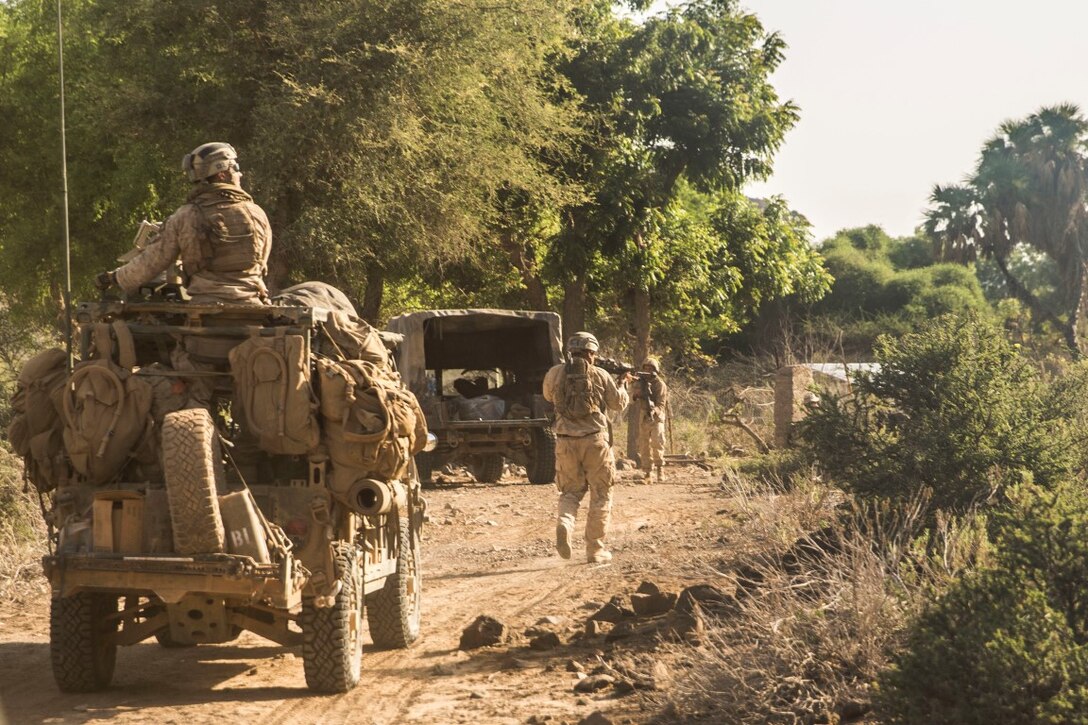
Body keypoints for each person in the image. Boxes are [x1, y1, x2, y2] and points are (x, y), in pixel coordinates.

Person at [96, 142, 272, 305]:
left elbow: (153, 260)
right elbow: (261, 263)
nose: (239, 174)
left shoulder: (187, 215)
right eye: (236, 168)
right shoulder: (257, 213)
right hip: (252, 305)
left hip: (206, 306)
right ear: (222, 173)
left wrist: (115, 278)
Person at [543, 331, 629, 564]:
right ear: (592, 352)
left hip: (564, 441)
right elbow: (617, 404)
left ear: (570, 351)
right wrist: (623, 386)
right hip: (595, 442)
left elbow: (548, 397)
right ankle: (595, 550)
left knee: (570, 492)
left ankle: (565, 522)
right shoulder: (600, 374)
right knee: (601, 494)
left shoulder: (554, 373)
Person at [631, 356, 669, 482]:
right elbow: (631, 399)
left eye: (650, 368)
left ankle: (660, 469)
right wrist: (636, 395)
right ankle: (647, 472)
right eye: (645, 368)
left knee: (657, 443)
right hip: (643, 415)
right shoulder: (639, 382)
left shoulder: (660, 384)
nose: (647, 371)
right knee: (644, 445)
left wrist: (654, 411)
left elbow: (661, 404)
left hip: (656, 417)